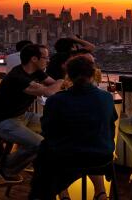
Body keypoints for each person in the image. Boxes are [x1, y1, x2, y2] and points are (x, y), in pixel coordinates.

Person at [29, 55, 117, 200]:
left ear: (68, 75)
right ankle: (101, 193)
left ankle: (62, 194)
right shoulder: (106, 97)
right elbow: (110, 125)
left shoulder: (56, 100)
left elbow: (48, 131)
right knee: (90, 143)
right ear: (93, 74)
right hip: (102, 156)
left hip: (67, 158)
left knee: (44, 155)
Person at [0, 44, 62, 182]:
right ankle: (6, 167)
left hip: (21, 116)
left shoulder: (36, 71)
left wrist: (60, 83)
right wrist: (62, 80)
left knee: (56, 126)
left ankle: (42, 165)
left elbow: (52, 84)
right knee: (39, 144)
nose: (48, 60)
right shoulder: (17, 76)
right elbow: (50, 91)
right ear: (34, 59)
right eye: (45, 57)